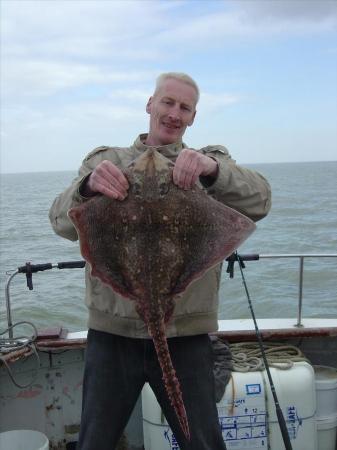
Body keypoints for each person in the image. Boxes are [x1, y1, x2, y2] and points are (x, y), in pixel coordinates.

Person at [49, 72, 271, 450]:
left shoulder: (209, 164)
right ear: (149, 105)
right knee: (94, 442)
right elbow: (60, 223)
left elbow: (260, 201)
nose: (174, 113)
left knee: (201, 441)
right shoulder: (107, 161)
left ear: (193, 117)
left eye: (184, 107)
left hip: (186, 335)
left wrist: (211, 170)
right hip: (113, 334)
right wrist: (86, 188)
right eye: (167, 102)